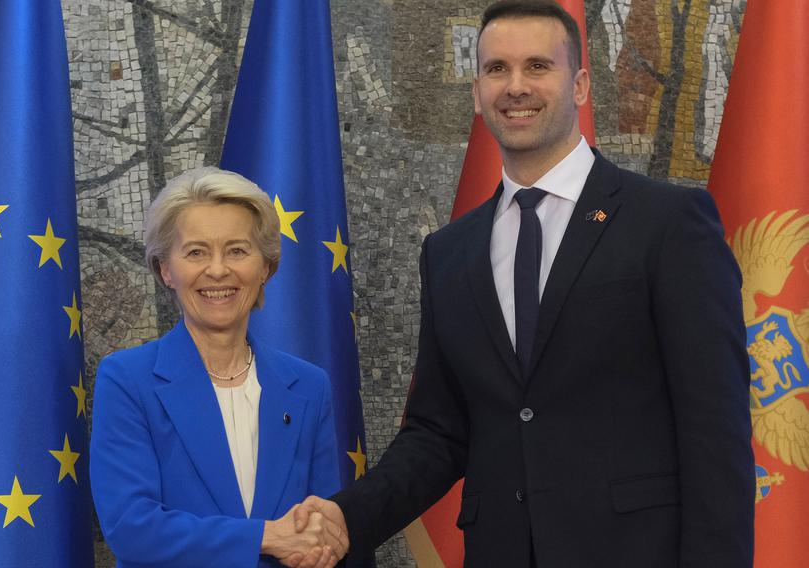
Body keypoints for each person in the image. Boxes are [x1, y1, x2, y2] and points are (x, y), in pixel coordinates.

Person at [291, 1, 755, 566]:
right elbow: (439, 432)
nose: (515, 86)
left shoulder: (668, 222)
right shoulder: (448, 252)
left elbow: (715, 430)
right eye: (495, 69)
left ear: (580, 84)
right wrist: (348, 515)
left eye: (538, 66)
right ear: (477, 92)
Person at [90, 167, 348, 568]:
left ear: (265, 267)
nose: (217, 270)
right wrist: (266, 536)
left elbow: (320, 529)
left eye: (237, 250)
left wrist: (318, 549)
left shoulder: (309, 387)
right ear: (165, 270)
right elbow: (131, 529)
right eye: (196, 252)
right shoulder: (127, 380)